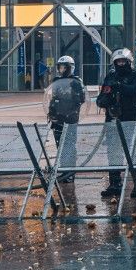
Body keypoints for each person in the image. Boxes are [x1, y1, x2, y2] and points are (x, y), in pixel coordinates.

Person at [96, 49, 136, 197]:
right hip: (112, 119)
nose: (121, 64)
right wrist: (106, 99)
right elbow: (101, 98)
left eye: (123, 61)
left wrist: (120, 87)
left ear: (129, 62)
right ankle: (115, 184)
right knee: (113, 152)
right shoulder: (111, 76)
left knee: (135, 153)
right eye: (118, 62)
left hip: (130, 119)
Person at [46, 55, 86, 183]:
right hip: (58, 118)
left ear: (71, 68)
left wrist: (71, 95)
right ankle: (63, 170)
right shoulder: (56, 80)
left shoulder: (76, 81)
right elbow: (53, 97)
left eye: (65, 67)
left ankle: (70, 173)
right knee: (60, 146)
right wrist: (51, 111)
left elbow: (81, 99)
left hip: (70, 118)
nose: (62, 69)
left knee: (69, 145)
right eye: (60, 67)